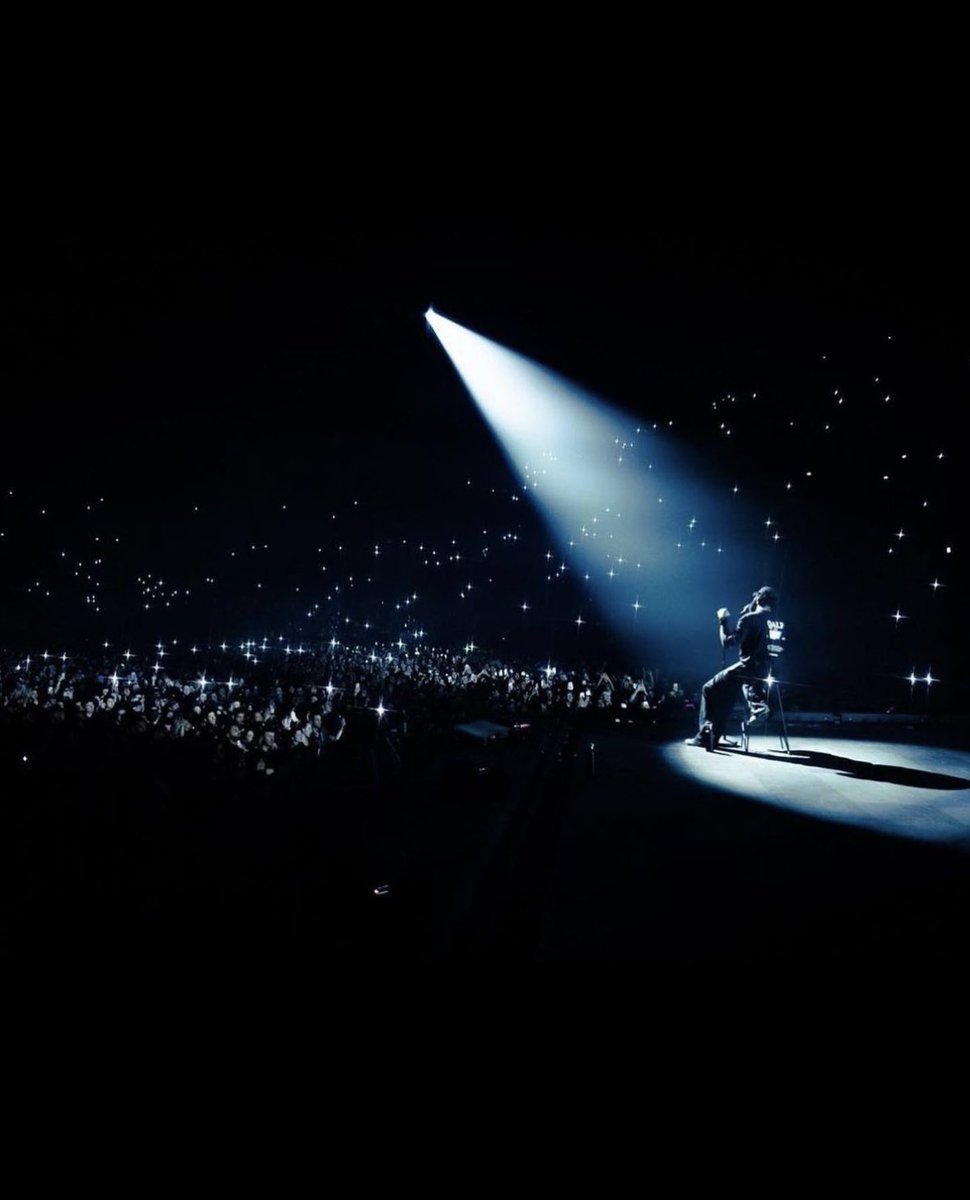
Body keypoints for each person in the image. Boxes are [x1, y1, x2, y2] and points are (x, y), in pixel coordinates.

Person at [685, 585, 778, 749]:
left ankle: (703, 737)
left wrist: (723, 621)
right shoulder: (776, 622)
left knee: (708, 688)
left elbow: (728, 642)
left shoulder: (750, 618)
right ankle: (716, 735)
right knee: (727, 693)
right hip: (766, 671)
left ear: (758, 599)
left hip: (748, 669)